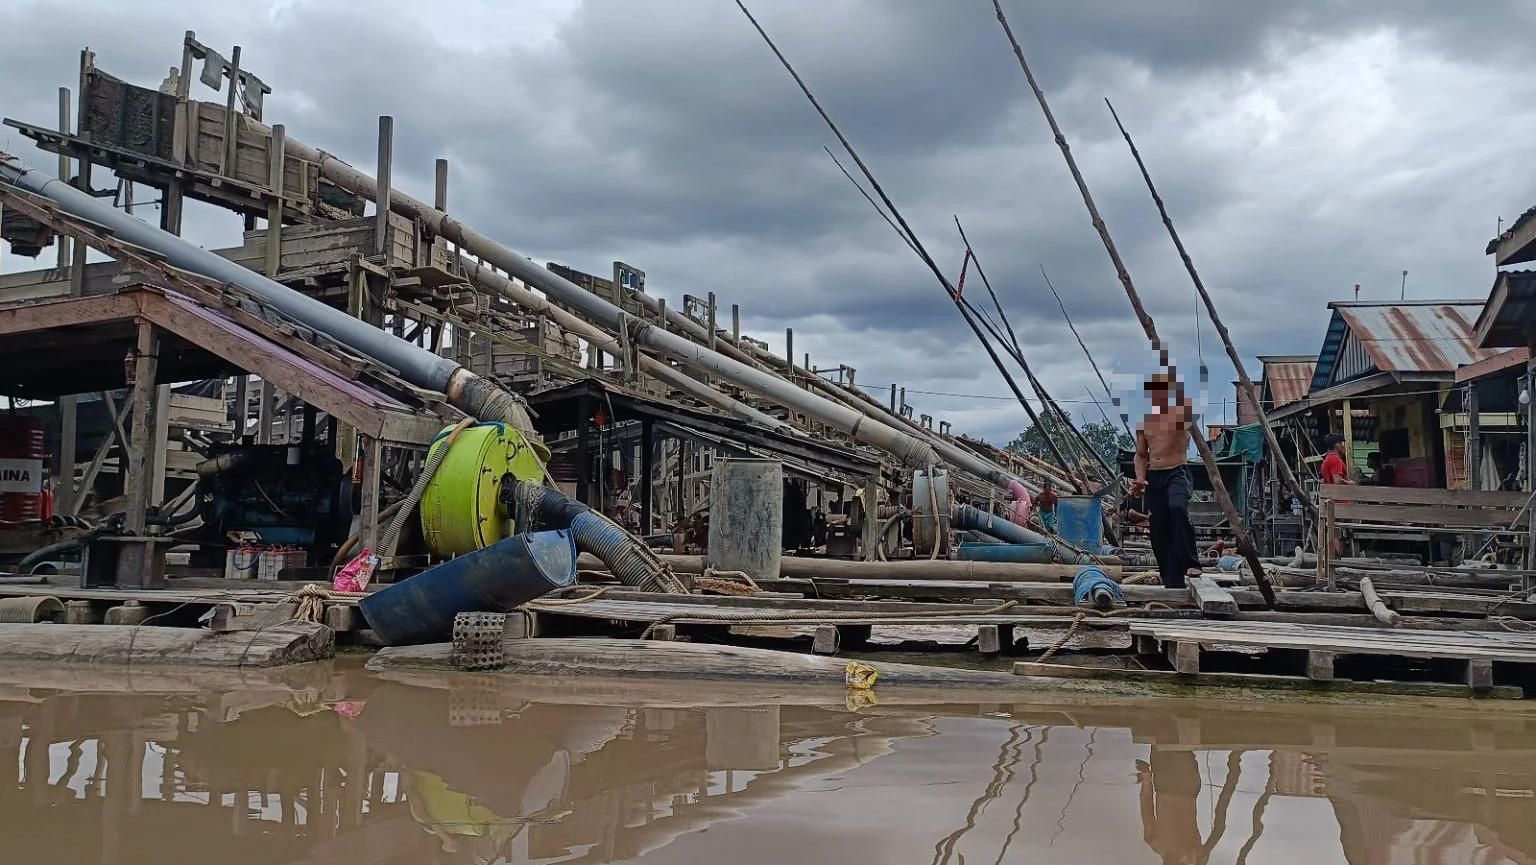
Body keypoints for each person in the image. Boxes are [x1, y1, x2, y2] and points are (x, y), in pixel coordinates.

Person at [1129, 373, 1201, 589]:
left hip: (1177, 472)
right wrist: (1140, 479)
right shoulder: (1144, 420)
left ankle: (1191, 561)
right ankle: (1171, 579)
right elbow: (1141, 454)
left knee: (1177, 508)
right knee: (1159, 526)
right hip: (1155, 476)